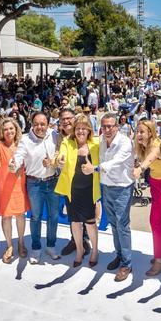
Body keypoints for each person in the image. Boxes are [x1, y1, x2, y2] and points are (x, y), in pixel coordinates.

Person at [89, 112, 136, 282]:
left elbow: (115, 161)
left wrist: (95, 168)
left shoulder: (125, 142)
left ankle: (126, 263)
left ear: (116, 127)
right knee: (114, 225)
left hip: (122, 188)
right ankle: (120, 255)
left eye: (110, 126)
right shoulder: (101, 140)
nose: (107, 129)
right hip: (107, 186)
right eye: (104, 126)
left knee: (122, 226)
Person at [10, 111, 60, 264]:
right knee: (36, 217)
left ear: (48, 124)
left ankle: (51, 246)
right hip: (34, 184)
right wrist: (14, 165)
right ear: (32, 124)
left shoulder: (54, 135)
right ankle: (36, 248)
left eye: (43, 124)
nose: (40, 127)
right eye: (36, 124)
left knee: (54, 216)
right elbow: (19, 156)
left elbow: (60, 152)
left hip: (52, 182)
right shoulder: (25, 140)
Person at [54, 114, 100, 267]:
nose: (81, 131)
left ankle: (94, 251)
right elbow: (62, 154)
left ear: (89, 130)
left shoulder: (96, 144)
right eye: (78, 128)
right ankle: (79, 250)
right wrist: (60, 160)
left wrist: (93, 169)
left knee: (90, 223)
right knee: (75, 222)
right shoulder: (68, 142)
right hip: (72, 191)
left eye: (84, 129)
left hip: (89, 190)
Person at [0, 117, 29, 264]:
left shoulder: (22, 144)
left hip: (19, 185)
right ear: (1, 132)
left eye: (11, 128)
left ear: (16, 129)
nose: (9, 131)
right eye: (6, 129)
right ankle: (9, 245)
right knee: (6, 217)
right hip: (3, 186)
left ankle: (21, 242)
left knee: (20, 215)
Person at [133, 119, 161, 276]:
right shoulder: (143, 145)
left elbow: (152, 157)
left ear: (150, 132)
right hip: (157, 185)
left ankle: (159, 260)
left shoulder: (157, 144)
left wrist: (140, 168)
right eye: (137, 131)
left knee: (155, 221)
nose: (139, 134)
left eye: (142, 131)